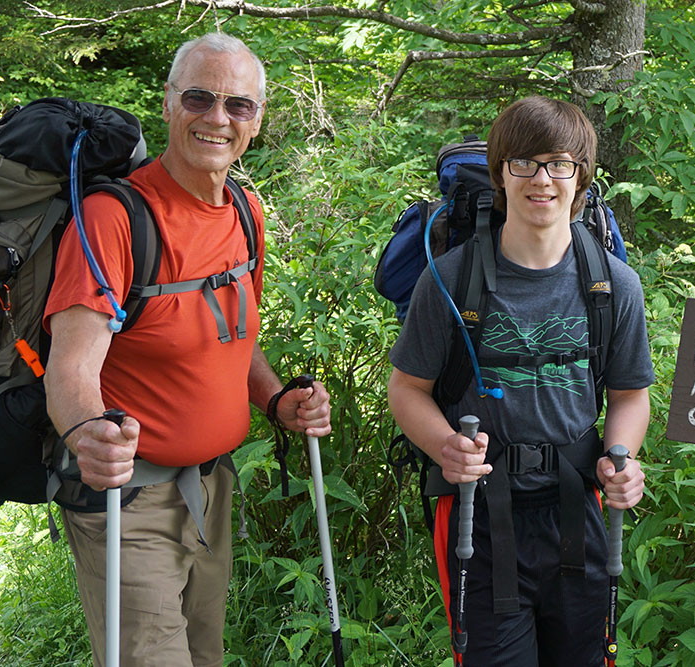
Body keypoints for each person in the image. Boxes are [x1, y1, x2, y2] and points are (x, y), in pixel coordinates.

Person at [43, 33, 331, 667]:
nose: (217, 118)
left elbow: (235, 337)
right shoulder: (114, 218)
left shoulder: (246, 212)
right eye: (199, 97)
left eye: (239, 105)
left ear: (259, 118)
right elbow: (71, 364)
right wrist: (87, 431)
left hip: (211, 491)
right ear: (169, 103)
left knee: (205, 655)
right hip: (130, 502)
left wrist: (275, 397)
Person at [387, 96, 653, 666]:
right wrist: (445, 448)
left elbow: (630, 395)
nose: (542, 179)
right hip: (478, 513)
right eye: (524, 163)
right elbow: (407, 388)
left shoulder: (614, 285)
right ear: (501, 171)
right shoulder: (451, 280)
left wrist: (623, 458)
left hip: (576, 511)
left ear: (581, 175)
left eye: (559, 163)